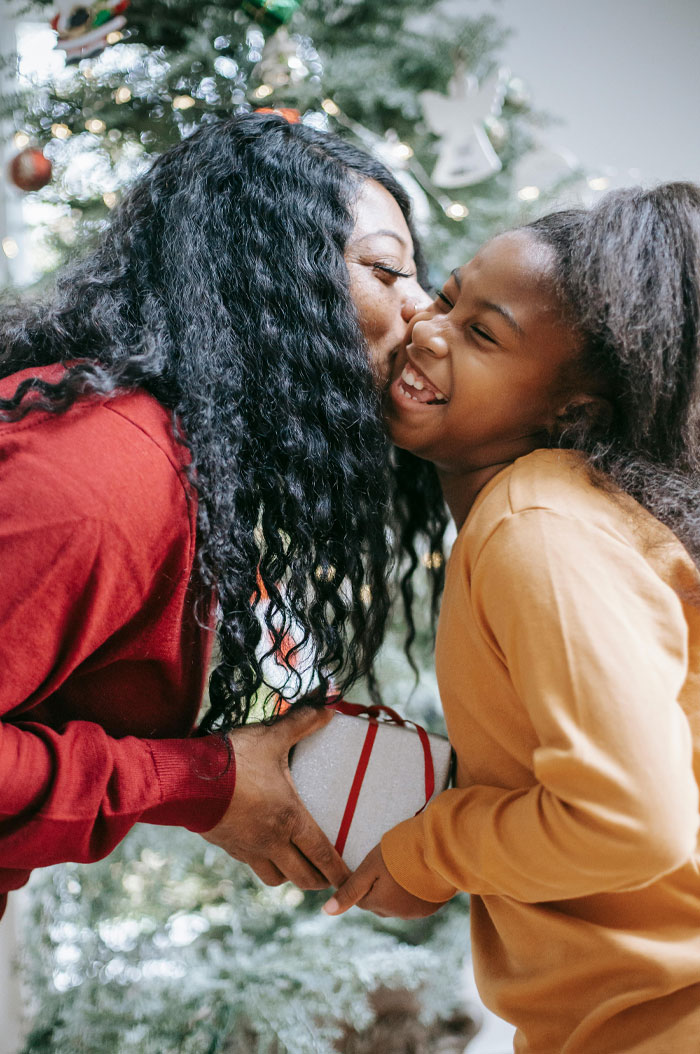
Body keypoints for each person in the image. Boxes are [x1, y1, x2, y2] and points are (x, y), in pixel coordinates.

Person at [0, 113, 446, 918]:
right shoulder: (105, 482)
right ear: (266, 275)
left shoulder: (207, 471)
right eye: (387, 270)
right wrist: (200, 782)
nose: (425, 312)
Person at [325, 183, 700, 1053]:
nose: (427, 329)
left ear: (570, 415)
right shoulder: (571, 516)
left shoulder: (538, 523)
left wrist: (427, 852)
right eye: (448, 298)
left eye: (481, 333)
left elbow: (630, 821)